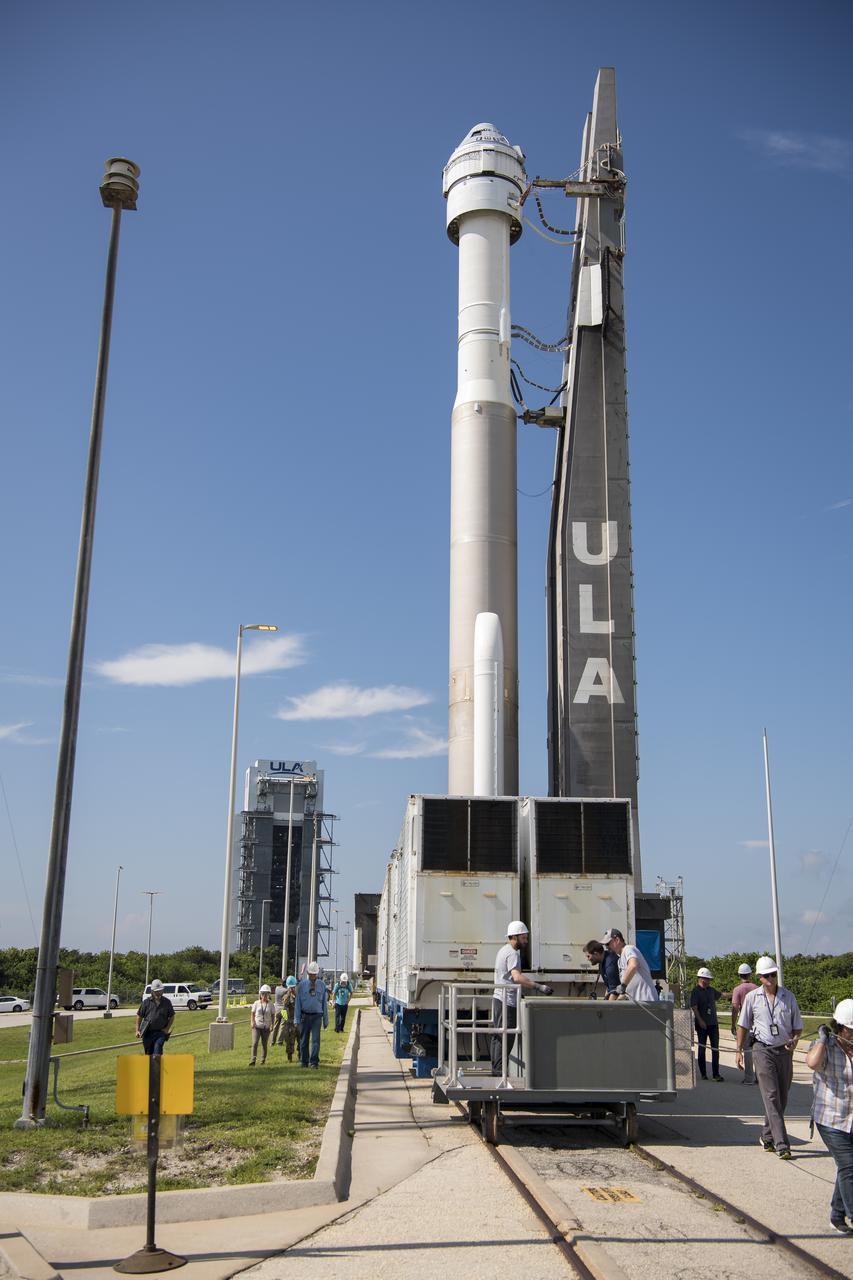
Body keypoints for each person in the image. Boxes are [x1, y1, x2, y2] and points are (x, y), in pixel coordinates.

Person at [736, 955, 803, 1159]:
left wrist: (795, 1041)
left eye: (773, 974)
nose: (770, 979)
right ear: (759, 977)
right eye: (766, 976)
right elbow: (743, 1025)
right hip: (762, 1049)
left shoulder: (788, 997)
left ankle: (766, 1135)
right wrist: (739, 1050)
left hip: (784, 1051)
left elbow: (798, 1027)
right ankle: (782, 1143)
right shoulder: (752, 998)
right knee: (771, 1096)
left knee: (782, 1098)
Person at [805, 998, 853, 1234]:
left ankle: (836, 1216)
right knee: (850, 1166)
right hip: (830, 1119)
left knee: (846, 1168)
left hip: (851, 1120)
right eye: (852, 1030)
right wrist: (823, 1039)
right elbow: (812, 1063)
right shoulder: (825, 1046)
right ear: (841, 1028)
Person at [491, 920, 553, 1080]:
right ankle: (498, 1073)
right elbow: (516, 977)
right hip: (507, 1001)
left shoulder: (503, 950)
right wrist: (538, 986)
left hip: (499, 998)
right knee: (505, 1037)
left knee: (499, 1035)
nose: (526, 941)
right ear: (515, 937)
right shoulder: (512, 953)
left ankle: (496, 1070)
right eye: (524, 937)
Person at [689, 967, 732, 1082]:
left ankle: (716, 1074)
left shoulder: (711, 990)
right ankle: (703, 1073)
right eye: (707, 979)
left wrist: (734, 993)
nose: (709, 981)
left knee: (715, 1049)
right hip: (702, 1025)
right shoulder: (695, 991)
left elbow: (722, 995)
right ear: (702, 979)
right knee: (702, 1049)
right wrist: (700, 1020)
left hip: (713, 1024)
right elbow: (694, 1007)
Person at [601, 929, 659, 1002]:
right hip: (638, 1003)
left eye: (608, 944)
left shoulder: (628, 949)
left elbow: (633, 965)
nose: (607, 947)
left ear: (617, 940)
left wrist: (623, 986)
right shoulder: (620, 960)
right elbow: (627, 988)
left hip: (647, 1002)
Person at [295, 961, 328, 1068]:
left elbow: (324, 1004)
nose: (313, 976)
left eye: (314, 974)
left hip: (317, 1016)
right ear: (308, 973)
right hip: (305, 1016)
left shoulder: (322, 985)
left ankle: (314, 1062)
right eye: (311, 974)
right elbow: (298, 1003)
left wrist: (325, 1020)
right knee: (303, 1040)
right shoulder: (301, 986)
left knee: (315, 1040)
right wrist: (297, 1019)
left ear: (317, 974)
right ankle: (304, 1061)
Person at [731, 963, 758, 1084]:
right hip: (758, 1023)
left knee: (747, 1051)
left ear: (739, 975)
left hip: (745, 1023)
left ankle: (749, 1078)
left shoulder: (737, 989)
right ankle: (760, 1077)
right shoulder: (757, 988)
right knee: (759, 1051)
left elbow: (735, 1008)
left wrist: (733, 1024)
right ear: (750, 974)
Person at [135, 979, 175, 1056]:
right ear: (152, 991)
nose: (158, 993)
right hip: (147, 1033)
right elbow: (139, 1016)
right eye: (156, 991)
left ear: (163, 990)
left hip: (160, 1033)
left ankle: (156, 1067)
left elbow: (172, 1016)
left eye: (160, 991)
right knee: (148, 1054)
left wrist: (166, 1029)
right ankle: (151, 1068)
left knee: (157, 1052)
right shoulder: (146, 1002)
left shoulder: (167, 1002)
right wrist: (137, 1030)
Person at [273, 976, 298, 1059]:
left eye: (293, 987)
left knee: (300, 1040)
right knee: (289, 1041)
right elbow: (284, 1010)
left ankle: (301, 1055)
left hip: (298, 1021)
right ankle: (289, 1056)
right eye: (291, 987)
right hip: (290, 1022)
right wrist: (287, 1020)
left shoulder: (299, 996)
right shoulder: (286, 997)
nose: (292, 989)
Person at [249, 984, 274, 1065]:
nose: (264, 995)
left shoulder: (271, 1004)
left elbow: (273, 1015)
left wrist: (272, 1025)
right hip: (257, 1026)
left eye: (266, 994)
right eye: (263, 993)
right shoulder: (256, 1003)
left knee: (264, 1044)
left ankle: (262, 1060)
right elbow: (252, 1013)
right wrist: (252, 1022)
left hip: (266, 1027)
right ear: (260, 994)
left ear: (269, 995)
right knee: (255, 1043)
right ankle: (253, 1060)